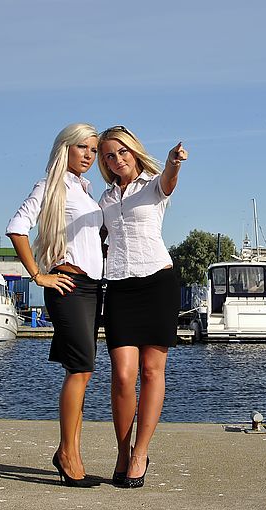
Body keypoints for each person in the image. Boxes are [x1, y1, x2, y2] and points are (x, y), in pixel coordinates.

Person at [6, 123, 104, 487]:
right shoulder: (50, 184)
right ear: (65, 148)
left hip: (91, 288)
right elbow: (17, 226)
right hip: (67, 285)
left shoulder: (84, 188)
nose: (89, 156)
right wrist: (37, 274)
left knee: (81, 371)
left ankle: (72, 452)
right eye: (83, 148)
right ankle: (67, 454)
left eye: (94, 150)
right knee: (80, 370)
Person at [96, 126, 187, 488]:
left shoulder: (153, 185)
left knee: (152, 372)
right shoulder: (101, 199)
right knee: (122, 375)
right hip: (118, 285)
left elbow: (169, 179)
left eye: (122, 152)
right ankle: (122, 449)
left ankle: (140, 453)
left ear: (133, 152)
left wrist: (173, 162)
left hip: (157, 283)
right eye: (108, 156)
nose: (116, 160)